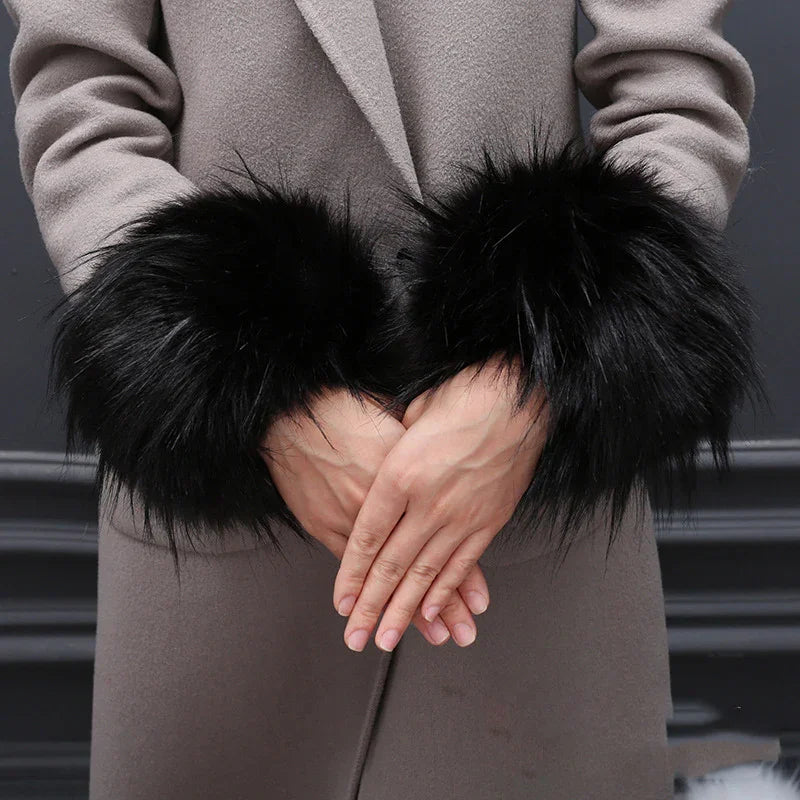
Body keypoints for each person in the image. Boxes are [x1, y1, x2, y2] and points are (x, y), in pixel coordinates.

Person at [3, 0, 770, 797]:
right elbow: (83, 105)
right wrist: (262, 393)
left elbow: (674, 94)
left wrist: (531, 385)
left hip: (523, 521)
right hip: (230, 543)